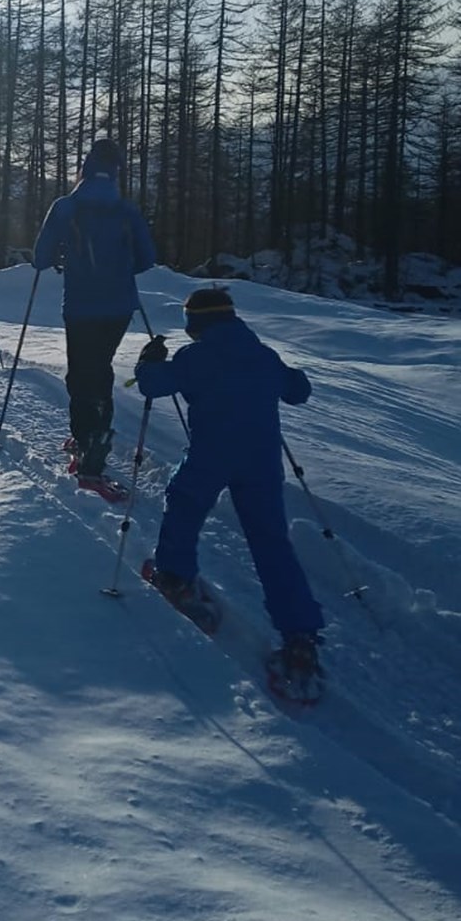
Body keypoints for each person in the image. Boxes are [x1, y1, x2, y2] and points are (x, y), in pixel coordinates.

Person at [134, 285, 325, 691]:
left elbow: (152, 385)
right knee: (271, 541)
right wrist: (285, 375)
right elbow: (299, 391)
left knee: (184, 503)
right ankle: (300, 636)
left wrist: (149, 361)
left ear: (197, 322)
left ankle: (175, 575)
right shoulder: (263, 355)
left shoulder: (196, 356)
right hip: (262, 462)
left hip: (212, 454)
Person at [30, 139, 157, 483]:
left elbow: (39, 259)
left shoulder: (65, 207)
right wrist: (119, 267)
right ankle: (96, 431)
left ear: (84, 168)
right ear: (115, 172)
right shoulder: (126, 210)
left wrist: (62, 256)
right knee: (99, 367)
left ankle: (89, 440)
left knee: (81, 373)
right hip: (120, 306)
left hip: (81, 305)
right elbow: (147, 259)